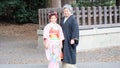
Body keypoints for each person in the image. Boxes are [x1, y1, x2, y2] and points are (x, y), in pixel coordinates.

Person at [60, 4, 79, 68]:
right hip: (63, 39)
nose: (66, 12)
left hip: (69, 39)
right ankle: (64, 65)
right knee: (64, 51)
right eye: (65, 11)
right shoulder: (62, 19)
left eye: (67, 11)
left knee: (70, 51)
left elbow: (75, 29)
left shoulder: (73, 19)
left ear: (70, 11)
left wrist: (73, 38)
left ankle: (71, 66)